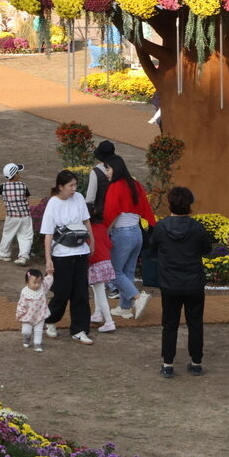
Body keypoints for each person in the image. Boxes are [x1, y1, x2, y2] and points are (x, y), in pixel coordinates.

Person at [150, 186, 213, 378]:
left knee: (169, 323)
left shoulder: (161, 227)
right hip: (193, 282)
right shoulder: (197, 227)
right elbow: (207, 250)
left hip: (170, 283)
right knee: (195, 322)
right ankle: (196, 362)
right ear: (189, 205)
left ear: (170, 203)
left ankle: (168, 363)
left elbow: (152, 249)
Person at [40, 169, 96, 345]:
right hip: (62, 254)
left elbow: (86, 221)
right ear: (60, 186)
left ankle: (80, 329)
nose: (74, 189)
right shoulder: (53, 204)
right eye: (70, 185)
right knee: (62, 292)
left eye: (75, 185)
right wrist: (48, 259)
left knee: (81, 292)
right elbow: (48, 234)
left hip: (80, 251)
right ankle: (49, 320)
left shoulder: (78, 198)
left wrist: (92, 241)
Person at [103, 155, 153, 320]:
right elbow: (145, 208)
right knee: (127, 272)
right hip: (137, 232)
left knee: (113, 272)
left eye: (108, 169)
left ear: (115, 169)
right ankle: (125, 308)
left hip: (122, 234)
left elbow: (112, 214)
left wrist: (104, 233)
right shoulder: (135, 184)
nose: (106, 173)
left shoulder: (115, 186)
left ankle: (137, 297)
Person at [87, 205, 117, 333]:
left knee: (100, 293)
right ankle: (98, 314)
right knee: (98, 289)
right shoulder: (101, 227)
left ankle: (109, 321)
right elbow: (109, 245)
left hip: (96, 264)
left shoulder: (86, 231)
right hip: (106, 263)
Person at [0, 163, 33, 266]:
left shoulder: (3, 186)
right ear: (15, 174)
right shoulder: (23, 185)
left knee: (8, 234)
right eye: (18, 172)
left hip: (12, 217)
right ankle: (23, 256)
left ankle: (4, 254)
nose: (19, 173)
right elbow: (28, 200)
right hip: (25, 216)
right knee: (25, 237)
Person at [16, 268, 50, 352]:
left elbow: (48, 281)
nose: (37, 285)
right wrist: (20, 314)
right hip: (28, 315)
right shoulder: (24, 292)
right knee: (26, 331)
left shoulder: (42, 288)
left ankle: (37, 344)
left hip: (40, 314)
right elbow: (21, 303)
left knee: (39, 330)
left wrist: (50, 274)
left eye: (39, 282)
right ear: (27, 282)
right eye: (34, 282)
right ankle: (27, 337)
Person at [84, 140, 116, 222]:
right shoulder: (117, 169)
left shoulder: (96, 172)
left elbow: (90, 198)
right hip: (115, 215)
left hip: (100, 216)